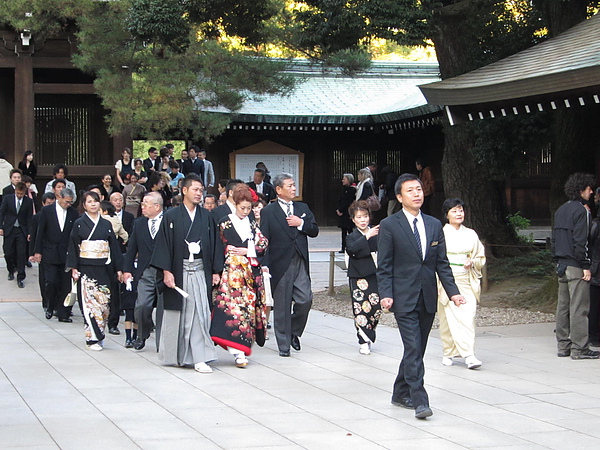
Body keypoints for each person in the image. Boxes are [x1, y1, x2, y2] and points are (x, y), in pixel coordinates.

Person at [377, 173, 464, 419]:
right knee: (413, 347)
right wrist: (386, 294)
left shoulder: (434, 225)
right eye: (410, 191)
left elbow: (442, 264)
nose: (416, 194)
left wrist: (454, 293)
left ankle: (398, 391)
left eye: (419, 189)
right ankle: (420, 400)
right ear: (399, 197)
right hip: (402, 297)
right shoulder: (390, 225)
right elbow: (384, 265)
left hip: (427, 296)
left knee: (417, 348)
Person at [151, 173, 224, 373]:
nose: (199, 194)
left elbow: (215, 244)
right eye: (195, 190)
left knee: (200, 313)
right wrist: (166, 271)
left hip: (200, 270)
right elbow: (164, 245)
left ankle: (200, 357)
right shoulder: (171, 216)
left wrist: (216, 271)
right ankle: (178, 356)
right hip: (178, 271)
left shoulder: (207, 217)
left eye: (201, 190)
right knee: (179, 315)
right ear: (184, 190)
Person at [260, 173, 319, 357]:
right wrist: (264, 264)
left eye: (294, 185)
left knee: (305, 299)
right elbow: (264, 239)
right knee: (282, 305)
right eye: (290, 186)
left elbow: (314, 230)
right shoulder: (268, 212)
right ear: (278, 190)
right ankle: (283, 345)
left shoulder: (302, 207)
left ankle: (294, 331)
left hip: (299, 259)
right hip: (280, 262)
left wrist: (301, 223)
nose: (294, 188)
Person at [211, 185, 268, 367]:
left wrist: (248, 250)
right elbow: (217, 247)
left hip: (249, 272)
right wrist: (217, 270)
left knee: (248, 310)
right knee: (235, 310)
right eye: (242, 208)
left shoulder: (251, 222)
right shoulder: (224, 222)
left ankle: (242, 347)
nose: (245, 211)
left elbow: (263, 242)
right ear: (234, 204)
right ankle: (238, 351)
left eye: (248, 208)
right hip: (232, 272)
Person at [66, 191, 123, 351]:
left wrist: (119, 268)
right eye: (89, 202)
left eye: (95, 201)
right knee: (90, 305)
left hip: (104, 268)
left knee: (104, 305)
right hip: (86, 269)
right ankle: (92, 338)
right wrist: (74, 267)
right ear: (84, 205)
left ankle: (99, 333)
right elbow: (73, 245)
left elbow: (114, 248)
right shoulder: (79, 223)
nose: (93, 204)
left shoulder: (106, 224)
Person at [552, 173, 599, 360]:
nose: (591, 192)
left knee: (563, 306)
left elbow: (555, 239)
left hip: (561, 263)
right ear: (581, 190)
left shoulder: (561, 210)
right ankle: (580, 348)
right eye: (589, 188)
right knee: (580, 307)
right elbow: (582, 242)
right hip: (575, 264)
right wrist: (586, 265)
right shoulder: (582, 211)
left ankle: (563, 345)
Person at [437, 198, 486, 369]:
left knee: (467, 315)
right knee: (449, 318)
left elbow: (480, 255)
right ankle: (456, 352)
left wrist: (472, 262)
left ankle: (466, 352)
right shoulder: (441, 233)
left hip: (466, 278)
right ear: (447, 214)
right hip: (447, 280)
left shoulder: (471, 233)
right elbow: (435, 260)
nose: (459, 214)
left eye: (460, 210)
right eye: (454, 211)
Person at [123, 192, 164, 350]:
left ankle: (162, 343)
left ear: (157, 206)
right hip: (145, 271)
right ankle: (142, 332)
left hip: (164, 271)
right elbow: (132, 247)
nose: (143, 206)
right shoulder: (139, 223)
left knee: (162, 310)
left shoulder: (169, 220)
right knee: (141, 306)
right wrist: (127, 270)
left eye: (146, 204)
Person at [33, 188, 78, 321]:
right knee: (51, 282)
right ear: (59, 197)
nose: (68, 204)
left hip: (66, 253)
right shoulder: (47, 211)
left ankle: (63, 313)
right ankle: (50, 305)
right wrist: (37, 251)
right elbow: (40, 232)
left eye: (71, 202)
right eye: (66, 202)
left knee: (65, 285)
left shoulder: (73, 213)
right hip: (49, 251)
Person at [346, 200, 381, 355]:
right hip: (358, 276)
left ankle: (369, 331)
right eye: (359, 217)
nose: (363, 220)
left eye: (365, 216)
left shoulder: (377, 233)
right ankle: (363, 339)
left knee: (375, 307)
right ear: (353, 219)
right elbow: (352, 250)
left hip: (374, 274)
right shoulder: (352, 236)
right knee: (360, 308)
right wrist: (366, 237)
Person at [0, 182, 34, 288]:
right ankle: (11, 270)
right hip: (9, 228)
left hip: (21, 229)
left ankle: (20, 277)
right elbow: (2, 212)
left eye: (21, 193)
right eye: (18, 193)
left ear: (24, 192)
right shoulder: (8, 199)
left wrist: (29, 232)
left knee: (21, 254)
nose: (19, 195)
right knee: (8, 252)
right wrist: (1, 226)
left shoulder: (28, 201)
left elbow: (29, 217)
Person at [29, 192, 56, 312]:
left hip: (56, 250)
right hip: (43, 251)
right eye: (48, 204)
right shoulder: (38, 217)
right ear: (43, 204)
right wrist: (33, 253)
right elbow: (34, 236)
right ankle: (46, 301)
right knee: (44, 278)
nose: (50, 206)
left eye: (53, 203)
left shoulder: (58, 215)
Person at [336, 173, 356, 253]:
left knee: (349, 230)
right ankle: (343, 247)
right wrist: (338, 209)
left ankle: (352, 246)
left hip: (347, 212)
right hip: (342, 211)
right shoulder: (344, 189)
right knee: (343, 231)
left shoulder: (352, 190)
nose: (342, 180)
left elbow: (348, 202)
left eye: (344, 179)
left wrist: (341, 210)